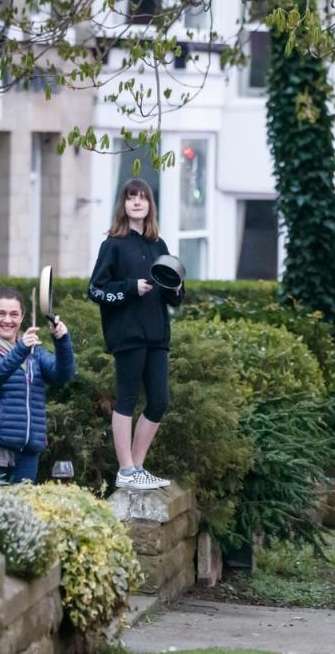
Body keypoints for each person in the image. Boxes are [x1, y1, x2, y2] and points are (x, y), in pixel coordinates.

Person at [88, 178, 185, 490]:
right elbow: (95, 290)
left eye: (143, 198)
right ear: (124, 205)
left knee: (159, 400)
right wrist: (131, 287)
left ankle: (138, 465)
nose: (137, 202)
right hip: (127, 335)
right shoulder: (112, 245)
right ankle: (125, 469)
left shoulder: (159, 246)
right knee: (127, 398)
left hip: (157, 336)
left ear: (150, 205)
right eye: (132, 198)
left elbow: (172, 297)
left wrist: (178, 288)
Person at [0, 287, 75, 483]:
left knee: (23, 513)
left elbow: (63, 375)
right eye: (1, 313)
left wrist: (62, 341)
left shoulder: (33, 350)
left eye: (14, 314)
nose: (7, 320)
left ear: (22, 317)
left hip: (27, 455)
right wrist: (19, 351)